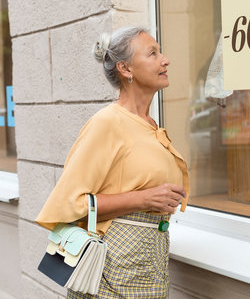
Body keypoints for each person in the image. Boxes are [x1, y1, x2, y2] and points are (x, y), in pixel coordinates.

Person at [35, 26, 190, 298]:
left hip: (148, 258)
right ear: (125, 69)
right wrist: (144, 199)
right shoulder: (108, 122)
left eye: (160, 52)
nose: (165, 59)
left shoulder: (149, 125)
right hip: (115, 263)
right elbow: (70, 205)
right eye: (152, 53)